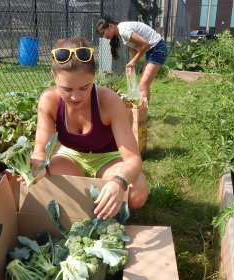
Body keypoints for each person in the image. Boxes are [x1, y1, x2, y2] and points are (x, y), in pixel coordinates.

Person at [26, 36, 148, 220]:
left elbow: (133, 159)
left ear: (94, 77)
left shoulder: (109, 101)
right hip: (70, 158)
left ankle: (97, 201)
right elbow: (40, 152)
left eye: (84, 87)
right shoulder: (49, 101)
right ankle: (94, 207)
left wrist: (119, 182)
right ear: (54, 77)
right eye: (66, 89)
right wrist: (35, 168)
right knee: (40, 184)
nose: (75, 97)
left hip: (108, 159)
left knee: (137, 193)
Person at [96, 16, 168, 108]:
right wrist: (131, 64)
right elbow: (133, 50)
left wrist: (134, 61)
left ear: (110, 26)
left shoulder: (123, 30)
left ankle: (141, 114)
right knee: (143, 84)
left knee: (143, 85)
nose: (104, 36)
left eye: (103, 32)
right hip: (152, 50)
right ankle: (143, 112)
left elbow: (145, 44)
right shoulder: (122, 33)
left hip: (157, 49)